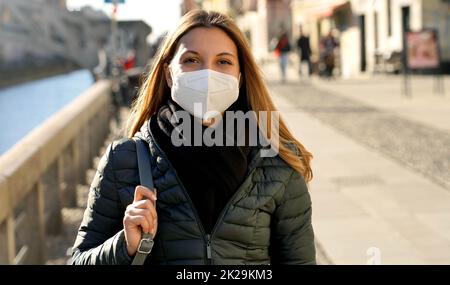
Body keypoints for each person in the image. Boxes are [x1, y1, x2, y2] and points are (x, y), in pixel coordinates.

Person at [71, 10, 315, 265]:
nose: (207, 74)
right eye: (191, 60)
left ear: (240, 78)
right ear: (168, 74)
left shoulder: (276, 160)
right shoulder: (124, 160)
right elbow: (78, 260)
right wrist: (126, 245)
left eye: (223, 62)